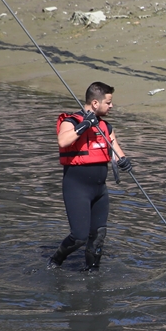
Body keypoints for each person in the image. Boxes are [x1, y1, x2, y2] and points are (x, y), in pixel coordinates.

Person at [48, 81, 131, 270]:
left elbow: (116, 151)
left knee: (99, 235)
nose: (111, 106)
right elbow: (63, 141)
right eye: (108, 102)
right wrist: (84, 125)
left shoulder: (106, 127)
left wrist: (124, 160)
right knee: (79, 237)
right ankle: (55, 261)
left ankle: (92, 273)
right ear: (95, 103)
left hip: (99, 189)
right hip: (77, 187)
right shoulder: (72, 121)